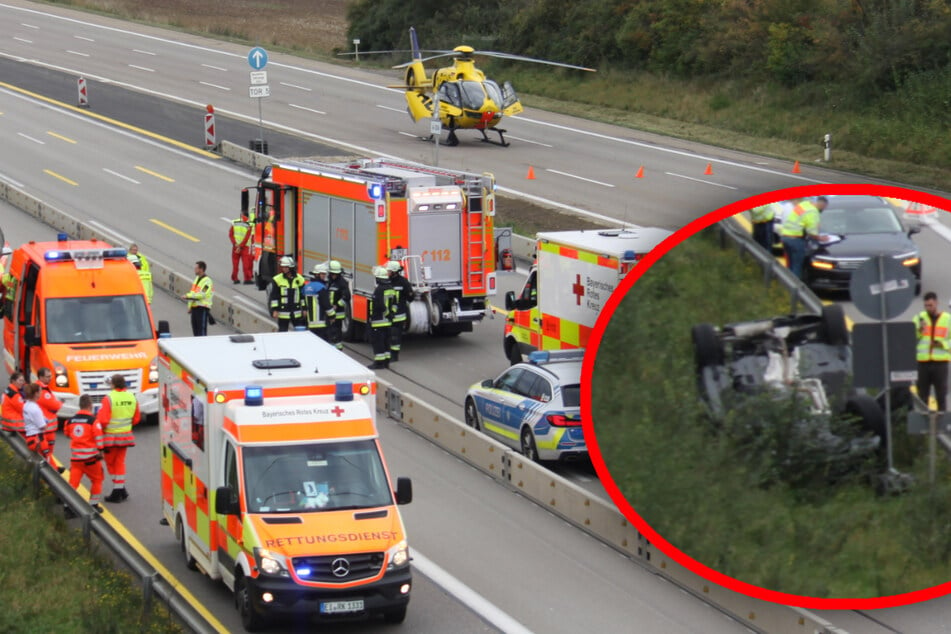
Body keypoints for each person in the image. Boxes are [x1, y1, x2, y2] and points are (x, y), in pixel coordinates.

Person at [97, 374, 140, 503]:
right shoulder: (132, 397)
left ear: (113, 384)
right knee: (120, 462)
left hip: (110, 437)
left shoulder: (108, 398)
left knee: (111, 464)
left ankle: (117, 491)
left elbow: (103, 420)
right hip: (126, 435)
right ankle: (121, 489)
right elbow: (136, 418)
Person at [64, 393, 105, 517]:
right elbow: (99, 438)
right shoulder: (93, 421)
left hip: (76, 459)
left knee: (73, 483)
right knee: (97, 479)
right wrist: (101, 452)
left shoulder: (70, 421)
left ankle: (68, 508)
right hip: (91, 459)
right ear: (90, 406)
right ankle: (93, 505)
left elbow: (67, 434)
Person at [913, 292, 951, 411]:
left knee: (941, 395)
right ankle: (924, 424)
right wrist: (920, 329)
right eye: (926, 306)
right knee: (922, 395)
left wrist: (942, 344)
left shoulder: (947, 319)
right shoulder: (919, 318)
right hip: (923, 362)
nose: (928, 308)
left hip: (940, 362)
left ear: (936, 303)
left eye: (930, 305)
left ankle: (942, 424)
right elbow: (910, 336)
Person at [779, 196, 828, 280]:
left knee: (789, 264)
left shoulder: (805, 204)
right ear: (823, 205)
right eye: (824, 208)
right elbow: (812, 232)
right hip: (796, 240)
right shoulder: (813, 212)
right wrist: (820, 238)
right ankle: (795, 288)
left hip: (785, 237)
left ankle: (786, 285)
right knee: (797, 266)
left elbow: (799, 218)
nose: (823, 210)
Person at [368, 266, 396, 370]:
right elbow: (395, 304)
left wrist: (387, 313)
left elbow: (379, 305)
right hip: (387, 322)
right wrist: (391, 314)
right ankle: (386, 361)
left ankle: (379, 363)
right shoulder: (391, 288)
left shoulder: (379, 290)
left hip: (378, 320)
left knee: (378, 342)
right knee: (386, 342)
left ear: (378, 278)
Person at [22, 383, 57, 468]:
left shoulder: (26, 405)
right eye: (40, 391)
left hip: (31, 438)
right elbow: (42, 426)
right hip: (39, 439)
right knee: (48, 465)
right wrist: (46, 422)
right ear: (36, 393)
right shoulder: (35, 409)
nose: (41, 393)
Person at [269, 255, 307, 332]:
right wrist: (274, 310)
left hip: (296, 312)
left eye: (286, 267)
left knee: (300, 333)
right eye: (283, 267)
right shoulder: (277, 279)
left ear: (291, 267)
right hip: (283, 312)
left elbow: (302, 296)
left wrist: (305, 309)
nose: (284, 269)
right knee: (283, 332)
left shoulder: (300, 279)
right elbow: (274, 296)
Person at [386, 260, 413, 362]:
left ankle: (394, 355)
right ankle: (390, 353)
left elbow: (410, 296)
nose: (387, 273)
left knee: (395, 336)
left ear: (394, 272)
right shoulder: (387, 281)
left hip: (399, 315)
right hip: (389, 314)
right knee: (389, 335)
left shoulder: (403, 282)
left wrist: (402, 305)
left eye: (389, 271)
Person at [36, 367, 63, 457]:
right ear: (40, 377)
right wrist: (59, 403)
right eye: (47, 376)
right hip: (46, 428)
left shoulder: (41, 388)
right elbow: (55, 405)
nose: (50, 378)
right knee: (46, 453)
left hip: (47, 428)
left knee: (47, 453)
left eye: (50, 376)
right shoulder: (42, 391)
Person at [303, 262, 334, 341]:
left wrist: (304, 309)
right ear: (317, 274)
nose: (324, 276)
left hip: (310, 323)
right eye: (322, 274)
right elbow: (326, 303)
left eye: (324, 274)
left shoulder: (307, 287)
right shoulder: (321, 287)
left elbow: (303, 300)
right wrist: (332, 316)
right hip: (321, 323)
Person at [184, 260, 214, 337]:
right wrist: (190, 306)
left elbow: (202, 294)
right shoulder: (197, 279)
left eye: (196, 268)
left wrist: (187, 296)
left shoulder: (207, 281)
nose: (194, 269)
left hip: (202, 308)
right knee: (196, 331)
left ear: (201, 269)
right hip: (195, 308)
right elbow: (193, 292)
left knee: (201, 332)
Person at [327, 260, 350, 350]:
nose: (334, 275)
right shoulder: (330, 281)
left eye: (335, 274)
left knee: (336, 332)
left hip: (338, 313)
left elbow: (346, 297)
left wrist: (337, 305)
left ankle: (338, 349)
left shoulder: (342, 282)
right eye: (332, 273)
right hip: (329, 312)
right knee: (330, 332)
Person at [229, 209, 254, 285]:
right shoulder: (249, 224)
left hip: (235, 247)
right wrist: (241, 246)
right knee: (246, 264)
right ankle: (247, 279)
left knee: (235, 264)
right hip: (244, 247)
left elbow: (230, 234)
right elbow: (247, 237)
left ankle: (235, 278)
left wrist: (235, 244)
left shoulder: (235, 222)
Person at [1, 371, 26, 437]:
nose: (22, 383)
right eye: (20, 381)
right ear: (13, 381)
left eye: (23, 381)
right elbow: (23, 409)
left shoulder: (8, 390)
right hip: (14, 422)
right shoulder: (15, 395)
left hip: (7, 420)